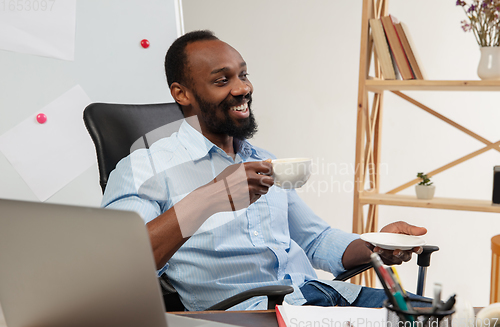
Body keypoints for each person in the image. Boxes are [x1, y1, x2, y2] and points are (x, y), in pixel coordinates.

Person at [102, 30, 427, 311]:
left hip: (321, 297)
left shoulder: (262, 159)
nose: (242, 88)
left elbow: (315, 240)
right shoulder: (145, 167)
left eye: (243, 75)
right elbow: (119, 266)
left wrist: (376, 245)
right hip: (251, 314)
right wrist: (211, 197)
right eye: (222, 80)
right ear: (181, 93)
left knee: (434, 318)